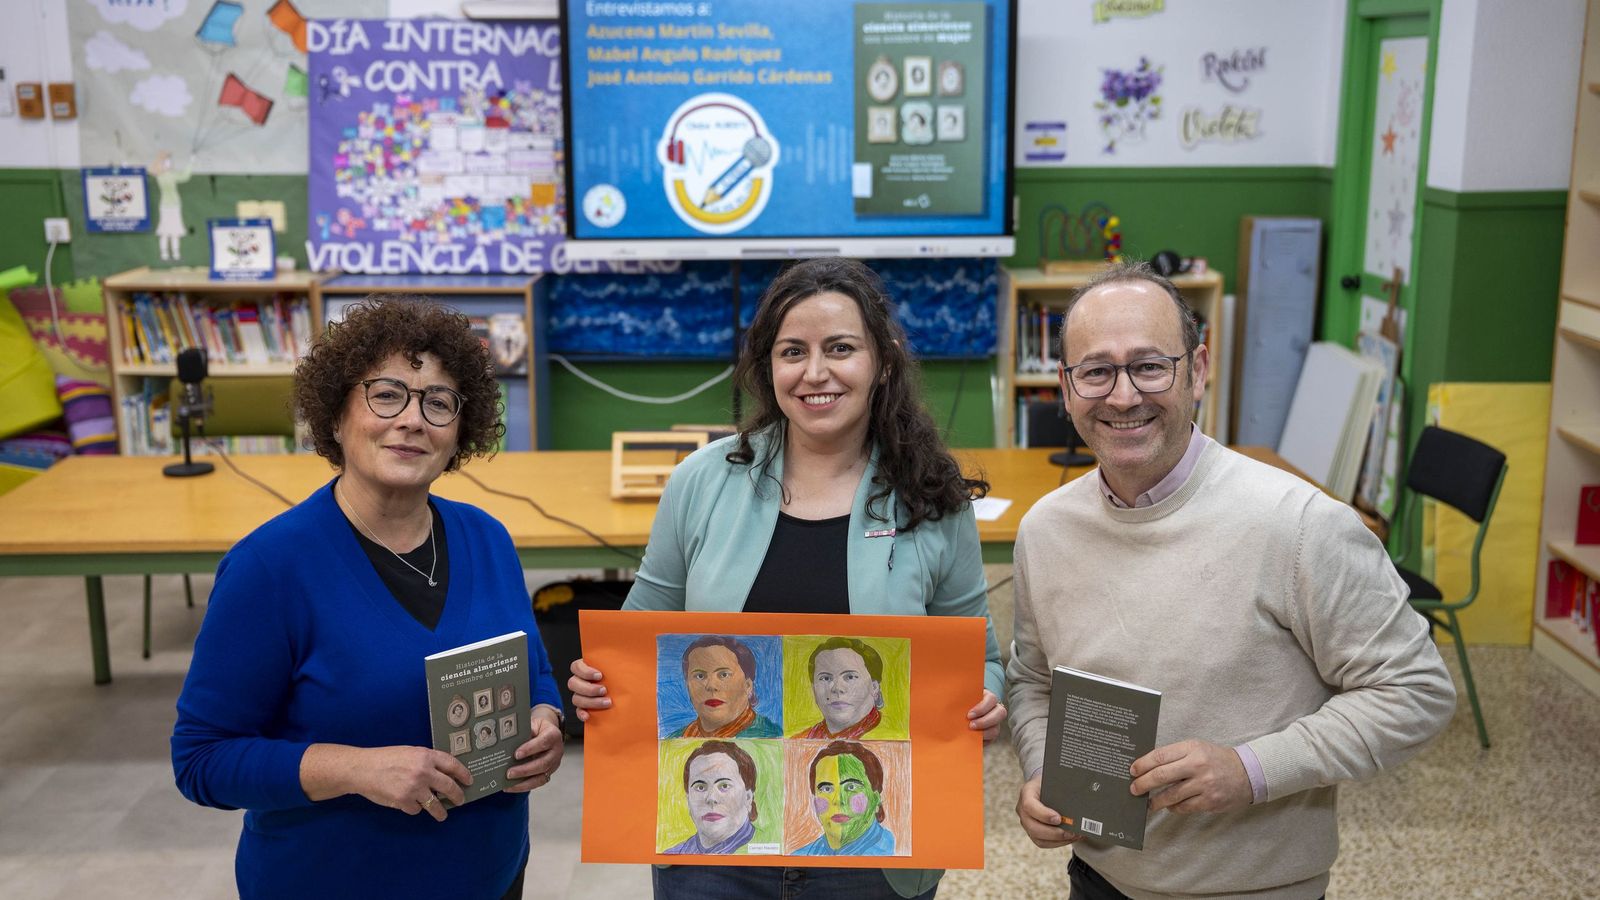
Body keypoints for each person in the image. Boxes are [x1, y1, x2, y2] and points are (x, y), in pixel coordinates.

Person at [1007, 261, 1456, 899]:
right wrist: (1042, 773)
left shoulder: (1301, 525)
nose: (1123, 396)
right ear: (1066, 385)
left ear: (1198, 369)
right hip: (1098, 879)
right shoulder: (1046, 529)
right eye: (1097, 371)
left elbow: (1416, 690)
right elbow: (1033, 679)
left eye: (1150, 366)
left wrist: (1252, 770)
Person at [570, 256, 1006, 899]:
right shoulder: (701, 481)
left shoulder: (932, 497)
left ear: (883, 362)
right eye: (793, 352)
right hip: (717, 851)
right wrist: (599, 678)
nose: (815, 372)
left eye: (840, 349)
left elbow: (982, 658)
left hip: (877, 846)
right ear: (767, 367)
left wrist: (986, 698)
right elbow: (639, 633)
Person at [171, 297, 566, 900]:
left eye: (438, 402)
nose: (412, 420)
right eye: (386, 395)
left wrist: (545, 717)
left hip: (491, 875)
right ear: (335, 415)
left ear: (460, 431)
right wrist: (356, 769)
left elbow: (532, 669)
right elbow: (203, 760)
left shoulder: (487, 538)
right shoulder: (270, 568)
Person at [791, 741, 896, 856]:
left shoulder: (893, 851)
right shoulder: (801, 856)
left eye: (851, 787)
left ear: (875, 799)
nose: (838, 800)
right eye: (826, 789)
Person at [671, 635, 782, 738]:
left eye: (724, 674)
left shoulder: (772, 736)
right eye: (700, 676)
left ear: (748, 686)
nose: (711, 686)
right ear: (688, 685)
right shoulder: (675, 740)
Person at [665, 740, 761, 855]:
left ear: (748, 797)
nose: (711, 798)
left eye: (724, 786)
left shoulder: (766, 849)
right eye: (700, 787)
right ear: (688, 799)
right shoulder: (673, 854)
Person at [794, 637, 886, 739]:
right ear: (814, 688)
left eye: (850, 677)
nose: (837, 688)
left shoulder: (890, 738)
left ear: (874, 687)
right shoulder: (799, 741)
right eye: (825, 678)